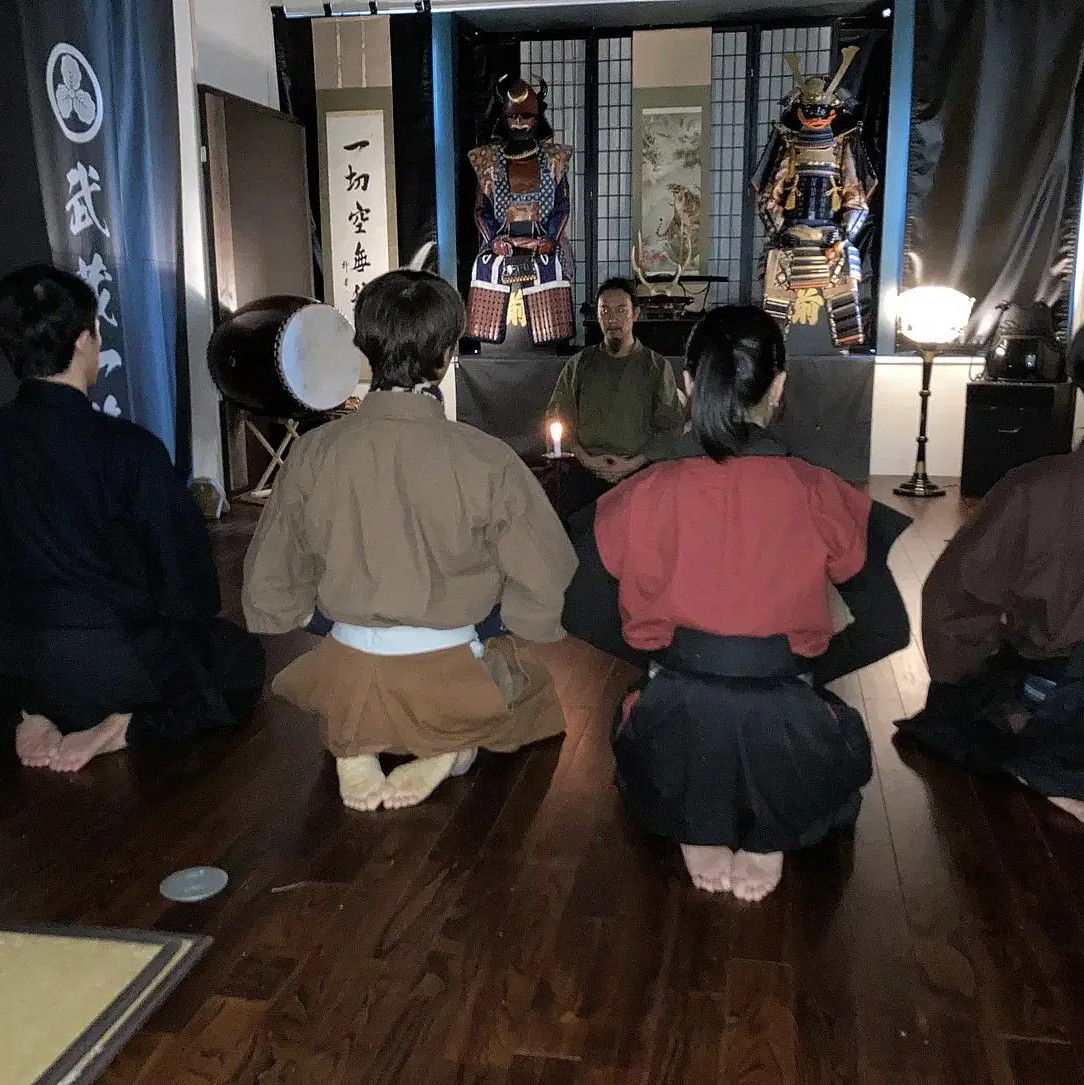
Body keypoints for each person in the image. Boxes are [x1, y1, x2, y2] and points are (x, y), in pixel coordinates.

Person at [562, 306, 909, 902]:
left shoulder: (645, 492)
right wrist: (798, 669)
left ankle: (696, 817)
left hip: (676, 715)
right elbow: (888, 629)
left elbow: (576, 609)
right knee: (830, 736)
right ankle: (773, 824)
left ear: (688, 384)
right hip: (787, 722)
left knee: (644, 719)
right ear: (778, 386)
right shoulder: (819, 491)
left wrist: (662, 662)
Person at [242, 269, 577, 813]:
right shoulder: (486, 458)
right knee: (528, 682)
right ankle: (452, 743)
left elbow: (272, 580)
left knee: (354, 676)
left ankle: (356, 743)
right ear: (446, 354)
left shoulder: (312, 451)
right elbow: (546, 576)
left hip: (348, 663)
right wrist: (504, 624)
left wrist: (319, 618)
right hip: (447, 662)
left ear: (364, 349)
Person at [0, 264, 265, 772]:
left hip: (17, 662)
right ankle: (124, 726)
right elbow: (188, 586)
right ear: (85, 340)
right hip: (115, 666)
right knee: (239, 659)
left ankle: (28, 714)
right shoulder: (129, 449)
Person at [896, 444, 1084, 822]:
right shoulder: (1036, 490)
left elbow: (956, 597)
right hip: (1056, 677)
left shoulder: (1034, 486)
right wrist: (965, 681)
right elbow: (957, 597)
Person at [544, 278, 684, 518]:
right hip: (584, 468)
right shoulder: (580, 364)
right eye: (605, 311)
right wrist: (586, 459)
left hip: (639, 471)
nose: (612, 319)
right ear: (597, 315)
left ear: (635, 314)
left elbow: (671, 426)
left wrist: (632, 464)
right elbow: (558, 416)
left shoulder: (656, 367)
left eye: (621, 310)